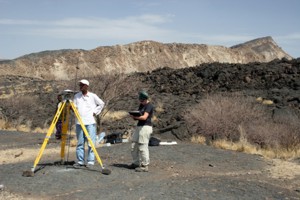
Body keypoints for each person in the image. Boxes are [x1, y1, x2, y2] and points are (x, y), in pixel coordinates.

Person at [73, 79, 105, 167]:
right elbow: (74, 107)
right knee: (80, 142)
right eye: (80, 85)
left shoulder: (92, 96)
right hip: (79, 123)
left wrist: (95, 112)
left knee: (91, 142)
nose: (80, 87)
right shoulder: (76, 96)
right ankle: (80, 161)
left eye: (82, 85)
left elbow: (101, 104)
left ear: (87, 86)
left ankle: (91, 161)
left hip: (90, 122)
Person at [129, 90, 154, 172]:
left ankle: (144, 165)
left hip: (146, 127)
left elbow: (144, 117)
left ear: (146, 99)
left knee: (143, 146)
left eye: (142, 100)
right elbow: (140, 114)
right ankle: (135, 163)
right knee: (134, 144)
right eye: (140, 100)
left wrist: (135, 117)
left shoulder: (149, 106)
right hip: (139, 126)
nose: (141, 102)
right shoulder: (141, 105)